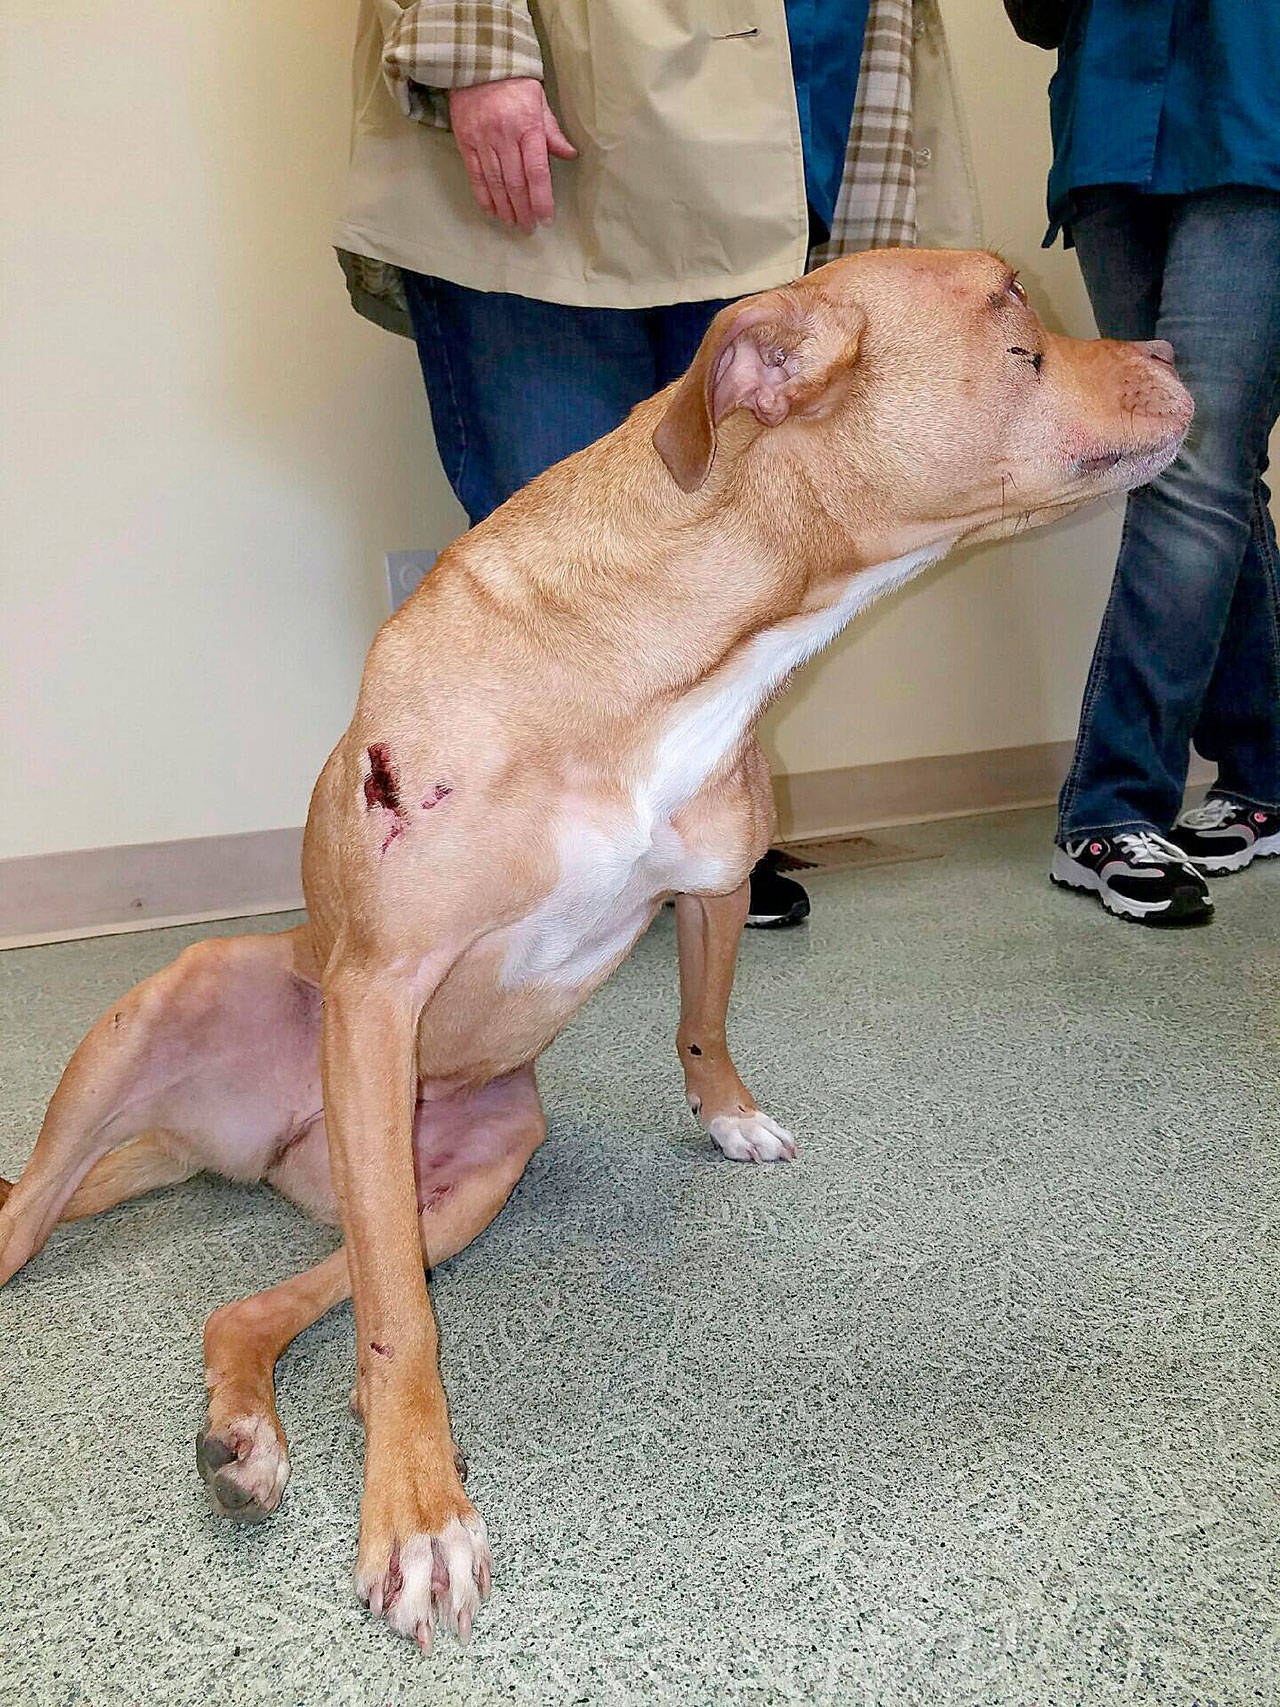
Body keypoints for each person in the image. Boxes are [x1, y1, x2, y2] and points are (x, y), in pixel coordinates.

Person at [335, 0, 979, 929]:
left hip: (792, 116)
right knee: (554, 526)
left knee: (739, 533)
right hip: (576, 106)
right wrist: (477, 53)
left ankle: (685, 830)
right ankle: (556, 851)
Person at [1008, 1, 1280, 927]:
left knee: (1187, 460)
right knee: (1209, 471)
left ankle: (1114, 804)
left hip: (1261, 100)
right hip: (1114, 122)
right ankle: (1267, 776)